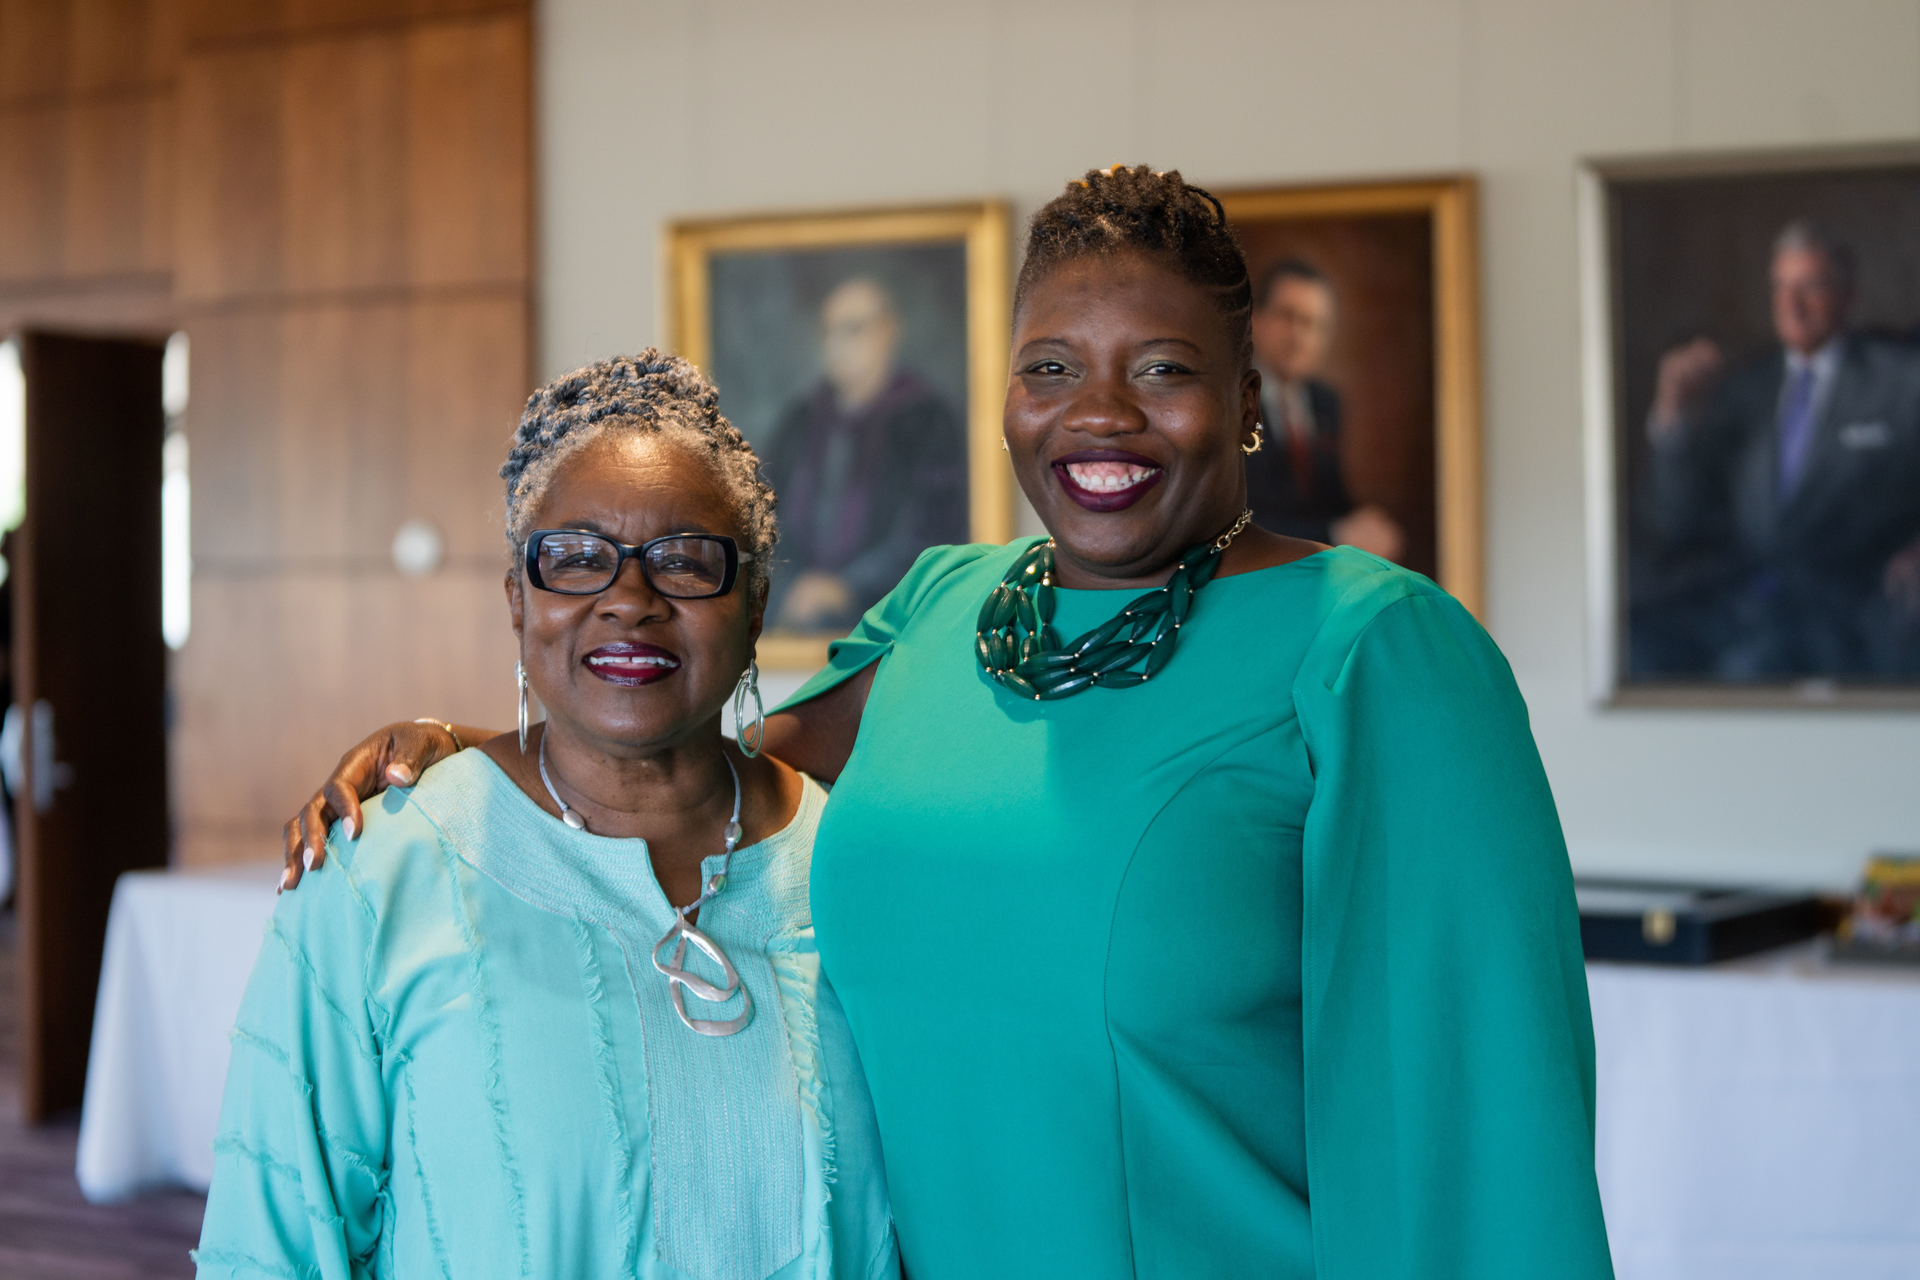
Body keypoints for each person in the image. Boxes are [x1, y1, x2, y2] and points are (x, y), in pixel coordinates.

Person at [284, 167, 1613, 1278]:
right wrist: (475, 753)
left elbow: (1481, 1130)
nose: (1100, 414)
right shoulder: (945, 607)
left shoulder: (1373, 650)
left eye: (1163, 369)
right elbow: (693, 783)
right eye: (1052, 366)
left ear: (1250, 402)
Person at [196, 356, 899, 1280]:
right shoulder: (375, 877)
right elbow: (270, 1251)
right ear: (518, 601)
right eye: (575, 558)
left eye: (685, 561)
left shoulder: (852, 868)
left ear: (754, 604)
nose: (630, 601)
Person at [1637, 219, 1920, 677]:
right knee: (1638, 650)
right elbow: (1675, 521)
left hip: (1853, 614)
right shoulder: (1744, 388)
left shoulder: (1901, 380)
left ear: (1847, 295)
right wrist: (1674, 422)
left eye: (1810, 287)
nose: (1792, 305)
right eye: (1781, 288)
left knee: (1751, 667)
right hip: (1742, 604)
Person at [763, 276, 967, 633]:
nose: (837, 344)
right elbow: (766, 511)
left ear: (888, 331)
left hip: (891, 618)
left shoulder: (924, 419)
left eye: (852, 329)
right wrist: (793, 584)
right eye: (828, 331)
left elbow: (934, 529)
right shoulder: (802, 420)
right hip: (799, 618)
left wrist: (846, 587)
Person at [1244, 257, 1404, 560]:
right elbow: (1241, 521)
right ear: (1257, 319)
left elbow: (1329, 498)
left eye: (1313, 324)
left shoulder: (1326, 403)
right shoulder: (1232, 400)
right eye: (1287, 316)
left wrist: (1364, 522)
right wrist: (1334, 534)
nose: (1299, 336)